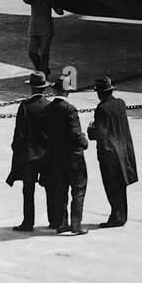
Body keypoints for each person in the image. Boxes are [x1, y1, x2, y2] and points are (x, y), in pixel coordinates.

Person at [88, 76, 138, 228]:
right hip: (123, 150)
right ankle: (121, 215)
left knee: (111, 186)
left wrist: (91, 130)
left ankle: (116, 217)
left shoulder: (102, 108)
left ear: (101, 93)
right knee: (121, 185)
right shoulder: (120, 103)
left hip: (109, 154)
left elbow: (100, 134)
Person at [8, 71, 53, 231]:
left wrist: (15, 147)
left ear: (32, 88)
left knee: (28, 190)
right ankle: (53, 220)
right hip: (46, 154)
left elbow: (19, 132)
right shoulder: (49, 105)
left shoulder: (26, 106)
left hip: (29, 155)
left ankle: (28, 222)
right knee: (50, 187)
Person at [42, 92, 89, 235]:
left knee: (60, 192)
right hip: (74, 158)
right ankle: (76, 225)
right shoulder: (70, 109)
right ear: (67, 92)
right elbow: (75, 134)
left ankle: (62, 224)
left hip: (56, 157)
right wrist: (84, 142)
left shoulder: (47, 110)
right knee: (78, 190)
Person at [24, 0, 63, 76]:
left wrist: (55, 0)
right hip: (34, 29)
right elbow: (26, 0)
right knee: (31, 52)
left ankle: (42, 74)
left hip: (46, 30)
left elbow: (60, 12)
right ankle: (43, 70)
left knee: (44, 54)